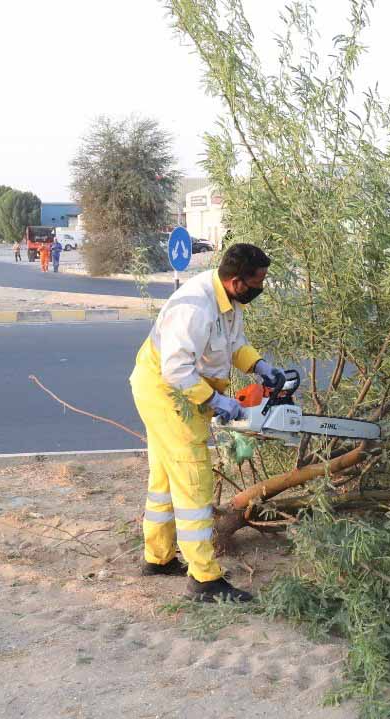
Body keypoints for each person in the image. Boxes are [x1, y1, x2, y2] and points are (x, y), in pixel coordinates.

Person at [129, 243, 286, 603]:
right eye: (258, 282)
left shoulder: (228, 300)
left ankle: (158, 557)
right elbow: (176, 370)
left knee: (163, 480)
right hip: (167, 394)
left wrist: (259, 366)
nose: (261, 288)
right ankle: (203, 580)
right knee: (194, 484)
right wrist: (216, 401)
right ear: (237, 281)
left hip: (179, 392)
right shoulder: (196, 309)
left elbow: (234, 344)